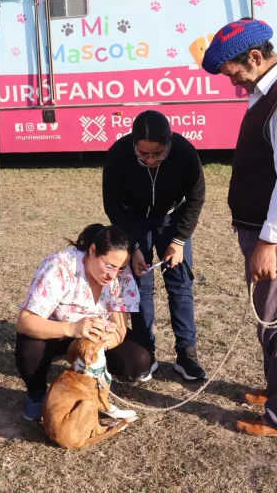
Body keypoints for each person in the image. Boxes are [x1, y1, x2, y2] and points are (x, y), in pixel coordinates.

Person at [201, 18, 277, 437]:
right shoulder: (268, 91)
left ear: (255, 57)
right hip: (266, 233)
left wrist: (269, 242)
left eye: (233, 72)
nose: (232, 82)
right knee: (271, 320)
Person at [102, 110, 207, 382]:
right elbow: (112, 204)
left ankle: (187, 354)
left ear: (169, 143)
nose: (150, 160)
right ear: (133, 143)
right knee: (140, 285)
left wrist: (179, 240)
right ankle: (146, 351)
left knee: (180, 284)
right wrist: (134, 246)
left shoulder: (185, 153)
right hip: (133, 219)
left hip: (172, 219)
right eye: (143, 154)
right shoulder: (118, 154)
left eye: (158, 154)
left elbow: (196, 198)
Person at [15, 223, 152, 422]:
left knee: (138, 360)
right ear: (93, 250)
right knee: (30, 347)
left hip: (93, 337)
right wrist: (72, 329)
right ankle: (36, 393)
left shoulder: (122, 275)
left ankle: (94, 381)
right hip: (56, 331)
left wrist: (102, 345)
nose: (113, 275)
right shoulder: (60, 267)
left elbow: (119, 328)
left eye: (120, 268)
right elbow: (25, 322)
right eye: (109, 266)